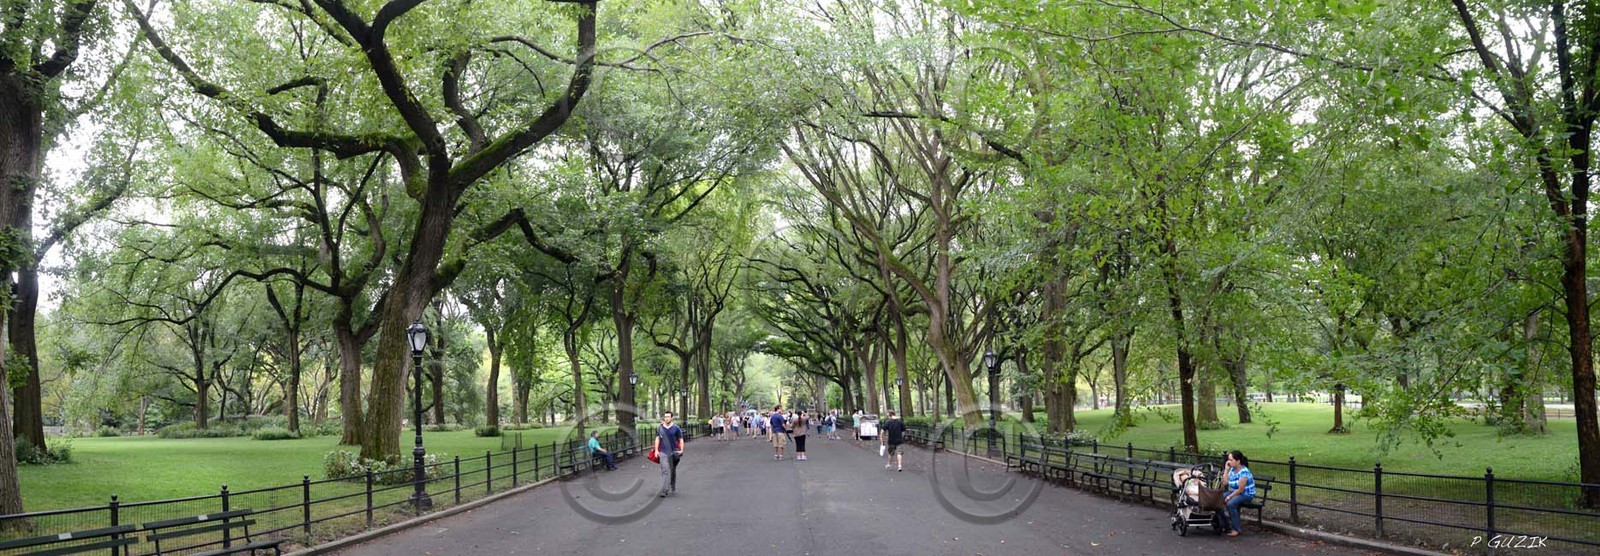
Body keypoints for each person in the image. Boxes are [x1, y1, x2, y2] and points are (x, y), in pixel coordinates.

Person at [1223, 450, 1256, 537]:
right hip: (1235, 492)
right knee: (1218, 499)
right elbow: (1224, 483)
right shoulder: (1232, 470)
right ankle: (1224, 524)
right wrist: (1226, 470)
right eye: (1228, 460)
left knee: (1231, 504)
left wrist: (1229, 497)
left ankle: (1236, 529)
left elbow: (1241, 489)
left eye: (1231, 460)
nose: (1229, 462)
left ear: (1238, 461)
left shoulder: (1244, 472)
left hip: (1246, 494)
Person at [655, 412, 684, 497]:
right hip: (663, 452)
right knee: (665, 471)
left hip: (674, 452)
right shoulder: (660, 428)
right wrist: (656, 450)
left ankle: (673, 485)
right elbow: (657, 439)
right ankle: (665, 490)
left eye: (668, 417)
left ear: (672, 418)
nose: (666, 418)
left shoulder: (676, 428)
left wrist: (681, 450)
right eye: (665, 417)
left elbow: (681, 439)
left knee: (672, 470)